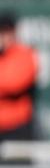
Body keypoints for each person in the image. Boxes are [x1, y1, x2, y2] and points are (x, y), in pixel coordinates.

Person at [0, 12, 39, 141]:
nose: (3, 36)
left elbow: (14, 83)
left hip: (16, 127)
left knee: (17, 160)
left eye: (6, 31)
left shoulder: (24, 53)